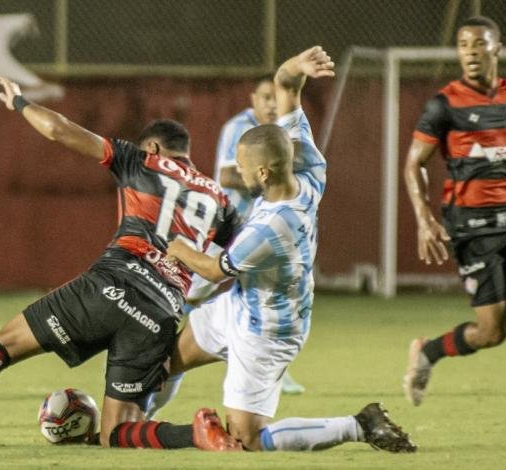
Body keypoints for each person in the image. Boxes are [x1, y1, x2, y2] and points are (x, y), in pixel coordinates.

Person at [0, 74, 242, 451]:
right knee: (115, 434)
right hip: (161, 312)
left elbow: (59, 129)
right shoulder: (220, 200)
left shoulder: (141, 160)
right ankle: (197, 434)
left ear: (153, 146)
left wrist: (20, 103)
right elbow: (242, 256)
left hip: (110, 285)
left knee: (0, 347)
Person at [158, 46, 416, 453]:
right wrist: (296, 68)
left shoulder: (269, 229)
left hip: (268, 329)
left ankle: (358, 425)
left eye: (242, 166)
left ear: (262, 172)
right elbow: (286, 86)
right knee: (165, 362)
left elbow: (211, 270)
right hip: (243, 304)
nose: (237, 171)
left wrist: (173, 245)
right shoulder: (307, 166)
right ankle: (134, 427)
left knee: (247, 440)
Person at [401, 16, 506, 433]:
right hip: (471, 229)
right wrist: (424, 221)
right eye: (463, 45)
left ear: (497, 48)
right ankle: (428, 353)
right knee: (493, 331)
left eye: (479, 44)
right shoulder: (444, 104)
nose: (470, 52)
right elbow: (413, 165)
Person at [146, 76, 304, 421]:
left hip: (249, 244)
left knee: (245, 435)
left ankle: (265, 361)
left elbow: (217, 269)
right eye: (266, 97)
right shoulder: (242, 128)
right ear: (253, 99)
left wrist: (179, 249)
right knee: (186, 302)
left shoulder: (272, 219)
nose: (272, 104)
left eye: (276, 98)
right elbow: (225, 175)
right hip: (226, 234)